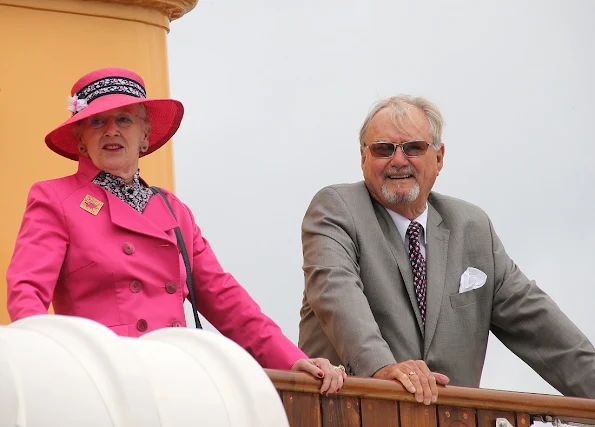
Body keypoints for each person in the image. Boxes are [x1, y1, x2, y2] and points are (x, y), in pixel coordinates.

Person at [6, 67, 346, 394]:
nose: (111, 130)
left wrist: (293, 360)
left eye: (124, 119)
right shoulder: (54, 198)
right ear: (81, 140)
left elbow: (227, 300)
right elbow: (26, 291)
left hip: (175, 377)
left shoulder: (174, 210)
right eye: (97, 121)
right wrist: (46, 362)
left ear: (145, 135)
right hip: (99, 381)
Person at [298, 95, 595, 404]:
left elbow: (545, 331)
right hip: (349, 414)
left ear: (439, 158)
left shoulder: (472, 229)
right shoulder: (336, 210)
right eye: (383, 149)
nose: (398, 160)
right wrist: (382, 369)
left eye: (413, 148)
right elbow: (337, 293)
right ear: (363, 159)